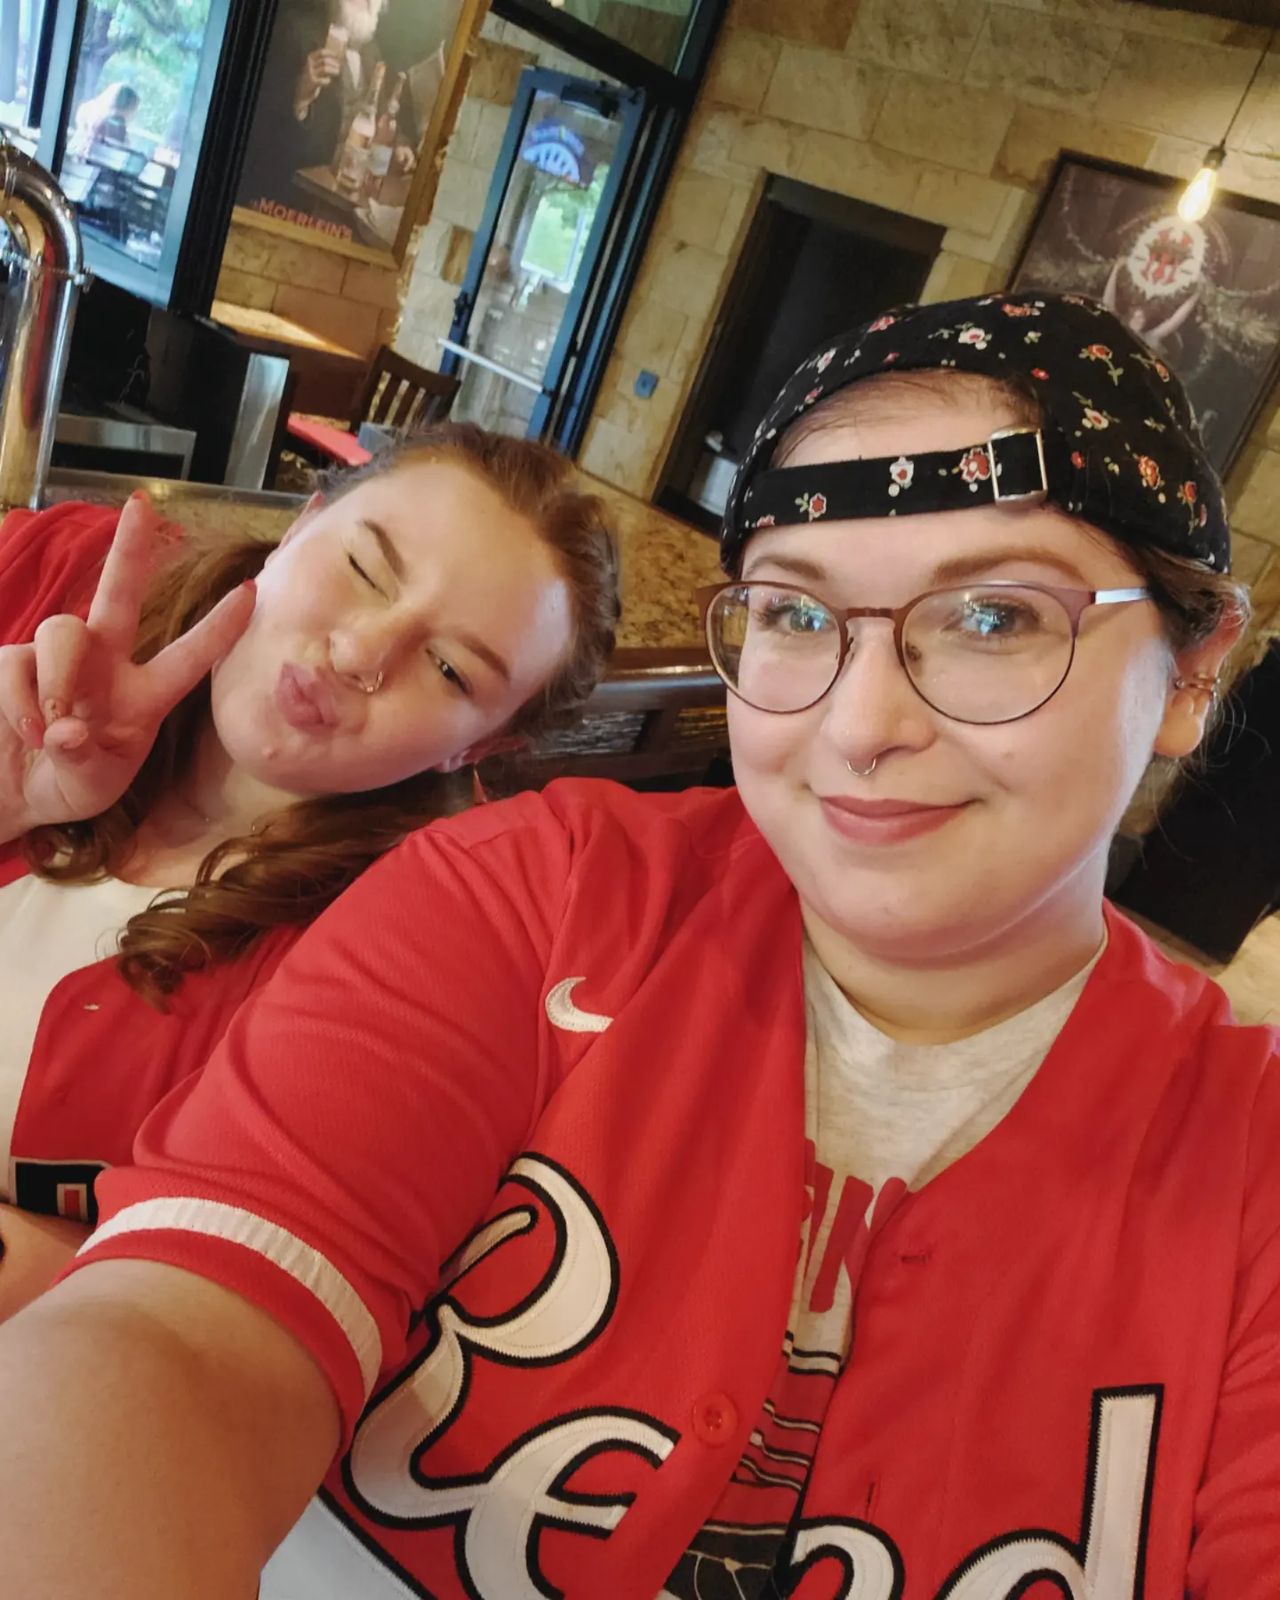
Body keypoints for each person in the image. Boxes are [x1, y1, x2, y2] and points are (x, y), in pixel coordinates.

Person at [0, 292, 1272, 1599]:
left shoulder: (1249, 1173)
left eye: (994, 617)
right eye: (795, 614)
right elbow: (179, 1329)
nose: (860, 725)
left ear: (1191, 670)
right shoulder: (531, 894)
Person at [0, 423, 619, 1317]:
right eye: (364, 567)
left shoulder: (390, 976)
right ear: (299, 525)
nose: (361, 654)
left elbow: (197, 1315)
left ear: (477, 749)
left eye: (450, 670)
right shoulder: (54, 579)